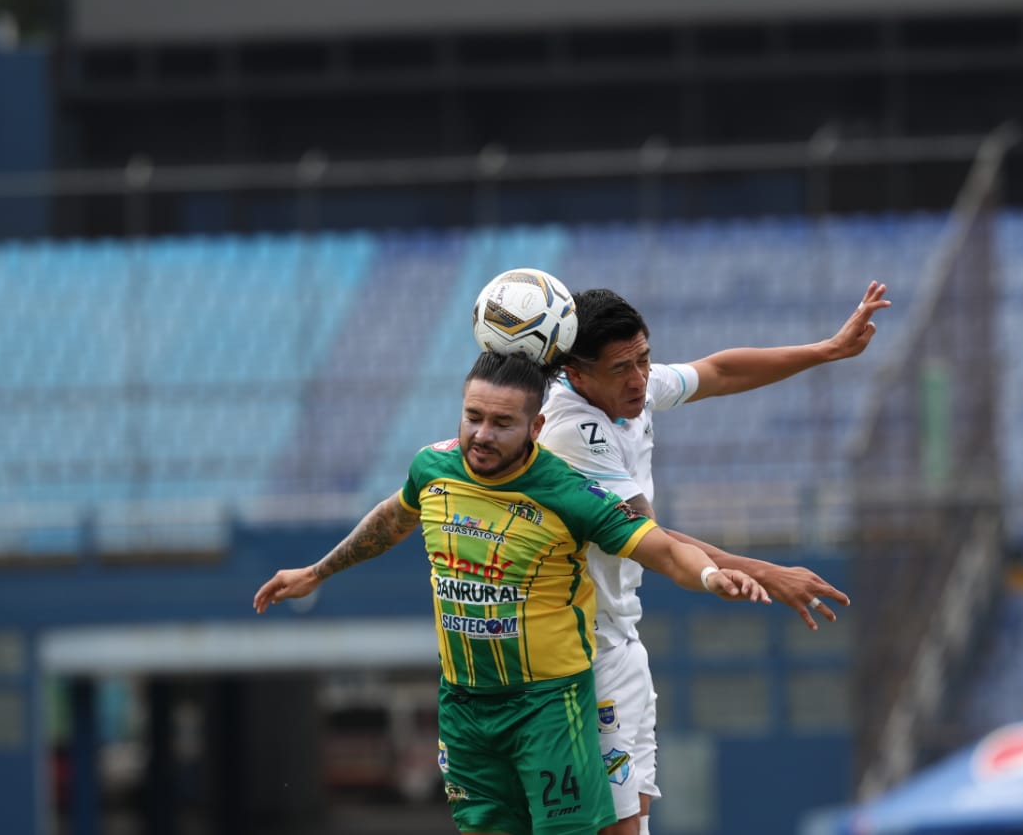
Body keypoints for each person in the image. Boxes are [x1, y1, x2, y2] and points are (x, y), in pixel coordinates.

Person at [254, 351, 769, 835]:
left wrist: (709, 576)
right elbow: (392, 518)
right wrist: (317, 572)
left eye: (501, 423)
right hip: (464, 706)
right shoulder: (433, 468)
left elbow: (661, 548)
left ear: (536, 427)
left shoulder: (568, 493)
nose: (481, 435)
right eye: (472, 416)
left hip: (547, 707)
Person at [537, 280, 891, 835]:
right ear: (576, 374)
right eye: (622, 368)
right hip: (579, 651)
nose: (640, 378)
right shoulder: (573, 429)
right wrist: (766, 573)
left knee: (635, 825)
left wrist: (829, 348)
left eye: (645, 359)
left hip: (620, 637)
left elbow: (720, 371)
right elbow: (652, 539)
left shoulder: (628, 387)